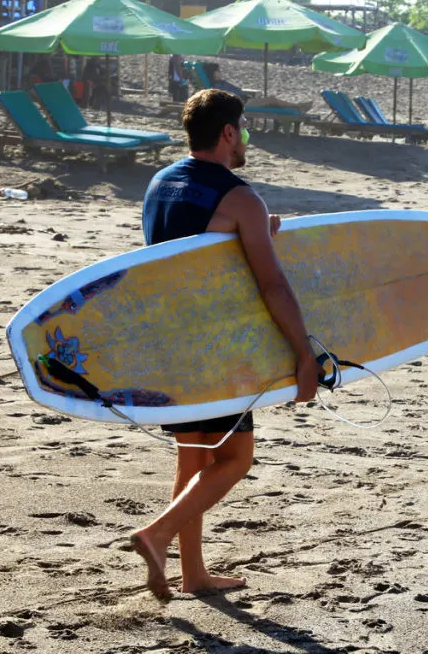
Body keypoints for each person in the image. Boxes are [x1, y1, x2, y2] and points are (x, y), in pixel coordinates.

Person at [131, 88, 322, 601]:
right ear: (229, 132)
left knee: (193, 463)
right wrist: (305, 355)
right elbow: (273, 285)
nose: (247, 141)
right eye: (246, 130)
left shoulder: (159, 184)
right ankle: (155, 533)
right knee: (236, 459)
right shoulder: (240, 197)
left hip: (170, 342)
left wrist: (258, 230)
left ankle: (193, 573)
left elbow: (197, 253)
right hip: (215, 351)